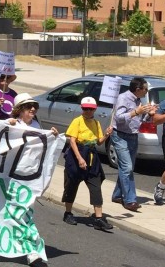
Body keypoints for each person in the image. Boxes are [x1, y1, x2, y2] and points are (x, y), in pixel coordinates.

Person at [62, 97, 114, 231]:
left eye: (90, 109)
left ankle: (98, 218)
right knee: (71, 184)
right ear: (82, 108)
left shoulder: (96, 123)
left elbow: (99, 142)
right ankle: (68, 213)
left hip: (92, 156)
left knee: (95, 186)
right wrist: (79, 159)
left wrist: (107, 134)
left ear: (95, 109)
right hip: (78, 154)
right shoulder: (77, 121)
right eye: (85, 108)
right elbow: (72, 141)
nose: (88, 111)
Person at [110, 77, 155, 211]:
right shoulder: (123, 98)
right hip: (120, 136)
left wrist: (149, 114)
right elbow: (119, 117)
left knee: (127, 168)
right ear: (138, 89)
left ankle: (117, 195)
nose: (146, 92)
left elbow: (140, 120)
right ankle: (130, 200)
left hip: (133, 136)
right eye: (145, 89)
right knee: (127, 167)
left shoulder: (138, 100)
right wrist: (136, 112)